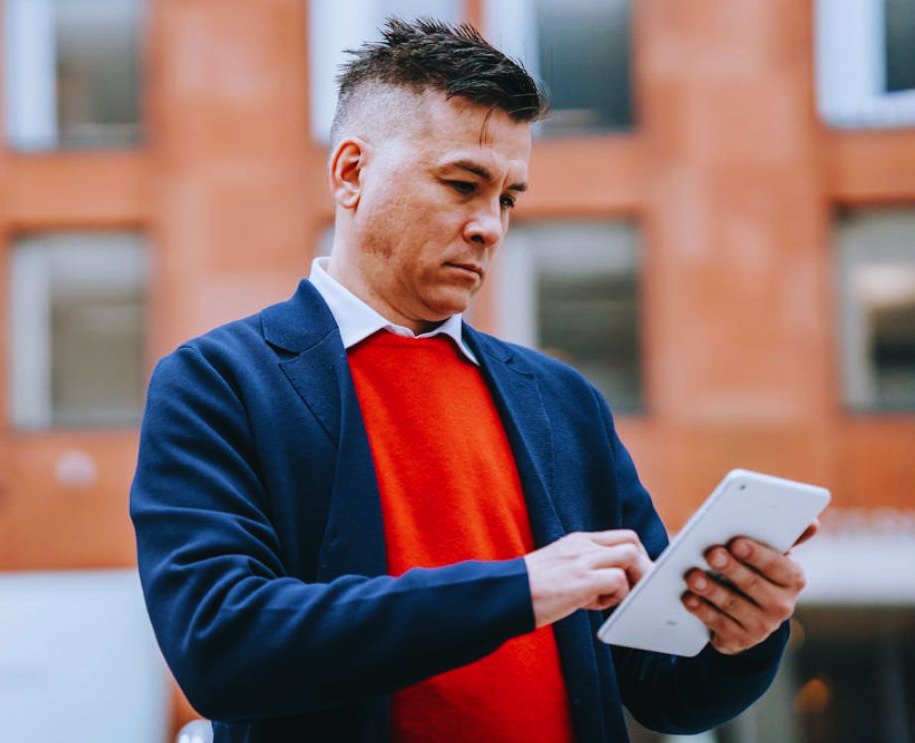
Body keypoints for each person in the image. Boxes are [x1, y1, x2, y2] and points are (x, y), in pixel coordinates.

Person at [130, 18, 816, 743]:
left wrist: (742, 637)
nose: (489, 225)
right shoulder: (219, 382)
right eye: (463, 184)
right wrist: (517, 590)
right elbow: (220, 648)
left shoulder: (562, 403)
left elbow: (661, 692)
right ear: (350, 173)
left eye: (508, 198)